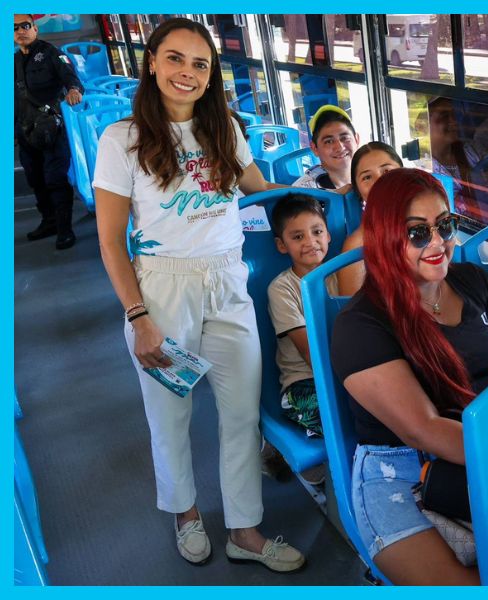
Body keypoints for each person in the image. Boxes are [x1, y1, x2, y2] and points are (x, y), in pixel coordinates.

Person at [93, 18, 304, 572]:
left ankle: (244, 530)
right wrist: (138, 316)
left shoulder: (224, 129)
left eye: (200, 64)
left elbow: (262, 191)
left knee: (241, 414)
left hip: (229, 282)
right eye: (175, 58)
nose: (187, 72)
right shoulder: (122, 139)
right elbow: (111, 242)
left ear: (211, 76)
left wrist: (326, 189)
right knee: (170, 415)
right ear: (152, 62)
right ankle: (185, 514)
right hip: (163, 289)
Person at [331, 168, 488, 584]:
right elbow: (423, 429)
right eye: (417, 233)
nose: (438, 242)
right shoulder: (360, 326)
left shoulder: (473, 281)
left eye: (445, 225)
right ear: (386, 236)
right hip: (402, 474)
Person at [267, 194, 337, 438]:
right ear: (282, 245)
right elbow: (310, 353)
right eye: (298, 237)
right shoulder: (282, 289)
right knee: (339, 417)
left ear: (328, 234)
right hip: (304, 383)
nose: (310, 242)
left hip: (345, 372)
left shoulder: (343, 275)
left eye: (317, 232)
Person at [15, 13, 83, 250]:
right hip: (25, 131)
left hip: (52, 128)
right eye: (14, 28)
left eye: (25, 25)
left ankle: (64, 229)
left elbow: (72, 78)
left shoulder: (53, 53)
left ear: (35, 29)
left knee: (55, 178)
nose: (20, 31)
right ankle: (49, 222)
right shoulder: (13, 61)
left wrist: (74, 90)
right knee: (35, 179)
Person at [336, 141, 404, 295]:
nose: (379, 182)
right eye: (367, 177)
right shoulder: (357, 245)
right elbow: (352, 304)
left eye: (387, 171)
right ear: (358, 191)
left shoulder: (430, 222)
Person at [291, 104, 359, 192]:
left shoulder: (371, 175)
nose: (339, 147)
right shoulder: (304, 192)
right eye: (329, 141)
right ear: (315, 148)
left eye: (344, 138)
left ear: (357, 140)